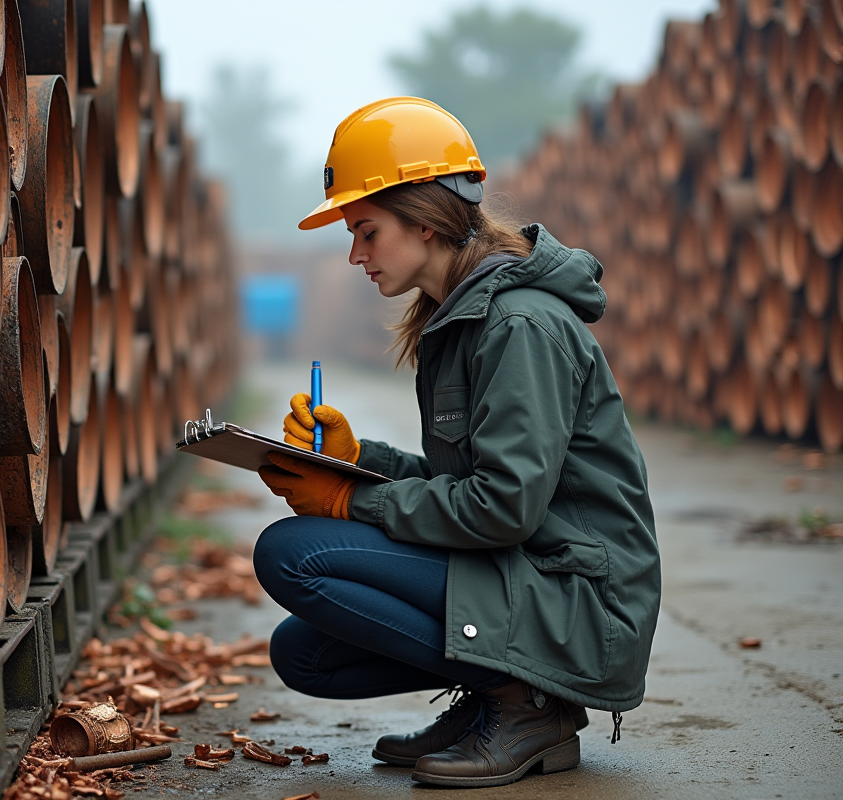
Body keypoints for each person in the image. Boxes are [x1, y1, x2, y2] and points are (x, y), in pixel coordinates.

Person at [252, 97, 662, 789]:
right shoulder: (461, 319)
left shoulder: (519, 326)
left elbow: (502, 507)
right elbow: (473, 483)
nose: (354, 254)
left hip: (580, 606)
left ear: (424, 218)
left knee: (291, 553)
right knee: (306, 655)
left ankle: (528, 705)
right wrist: (360, 462)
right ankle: (494, 700)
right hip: (528, 575)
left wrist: (349, 502)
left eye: (366, 231)